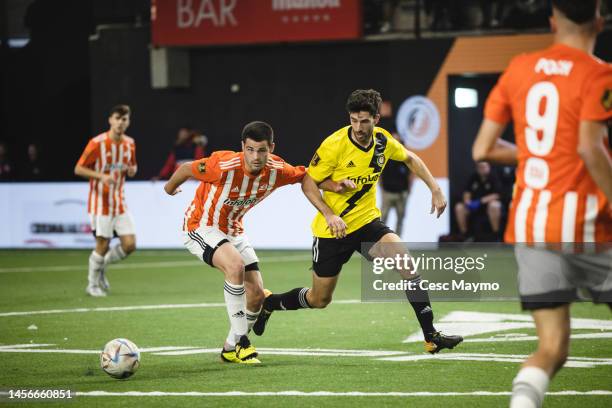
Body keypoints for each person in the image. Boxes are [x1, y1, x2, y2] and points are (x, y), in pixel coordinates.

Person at [472, 1, 611, 407]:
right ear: (600, 21)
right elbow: (589, 147)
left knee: (551, 348)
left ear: (552, 21)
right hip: (590, 229)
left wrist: (539, 153)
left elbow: (482, 147)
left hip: (531, 228)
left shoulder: (518, 68)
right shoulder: (599, 73)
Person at [253, 89, 464, 354]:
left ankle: (431, 337)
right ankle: (269, 303)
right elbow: (308, 183)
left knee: (407, 266)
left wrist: (434, 188)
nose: (359, 127)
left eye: (364, 121)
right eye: (354, 120)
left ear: (376, 118)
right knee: (319, 299)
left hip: (367, 224)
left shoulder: (383, 142)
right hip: (333, 232)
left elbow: (410, 158)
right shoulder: (334, 145)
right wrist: (330, 214)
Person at [164, 121, 340, 364]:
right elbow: (185, 169)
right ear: (242, 147)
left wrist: (335, 185)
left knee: (257, 295)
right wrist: (169, 188)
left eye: (262, 151)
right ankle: (242, 342)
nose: (255, 157)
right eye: (250, 149)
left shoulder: (278, 169)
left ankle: (228, 349)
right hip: (200, 226)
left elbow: (306, 177)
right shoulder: (222, 166)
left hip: (233, 231)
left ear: (271, 148)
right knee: (235, 266)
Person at [74, 105, 138, 297]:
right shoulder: (97, 143)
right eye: (117, 118)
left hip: (119, 202)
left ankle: (102, 267)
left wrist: (132, 170)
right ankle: (92, 285)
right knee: (102, 244)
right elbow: (79, 169)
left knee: (130, 244)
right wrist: (100, 176)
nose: (120, 122)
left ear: (128, 122)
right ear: (110, 119)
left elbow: (132, 166)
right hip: (100, 203)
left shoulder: (130, 143)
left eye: (124, 119)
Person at [454, 161, 502, 240]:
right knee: (459, 207)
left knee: (494, 205)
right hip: (474, 206)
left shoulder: (494, 177)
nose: (482, 169)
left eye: (484, 167)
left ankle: (496, 235)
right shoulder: (473, 177)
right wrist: (467, 202)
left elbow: (497, 194)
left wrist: (480, 201)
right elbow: (467, 192)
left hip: (487, 206)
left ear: (489, 167)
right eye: (480, 167)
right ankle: (465, 235)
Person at [380, 133, 412, 237]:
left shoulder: (405, 157)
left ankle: (397, 243)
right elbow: (379, 173)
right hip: (387, 192)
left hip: (401, 194)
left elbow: (411, 174)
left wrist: (408, 190)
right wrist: (382, 189)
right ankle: (381, 241)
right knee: (382, 219)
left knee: (400, 219)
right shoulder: (384, 156)